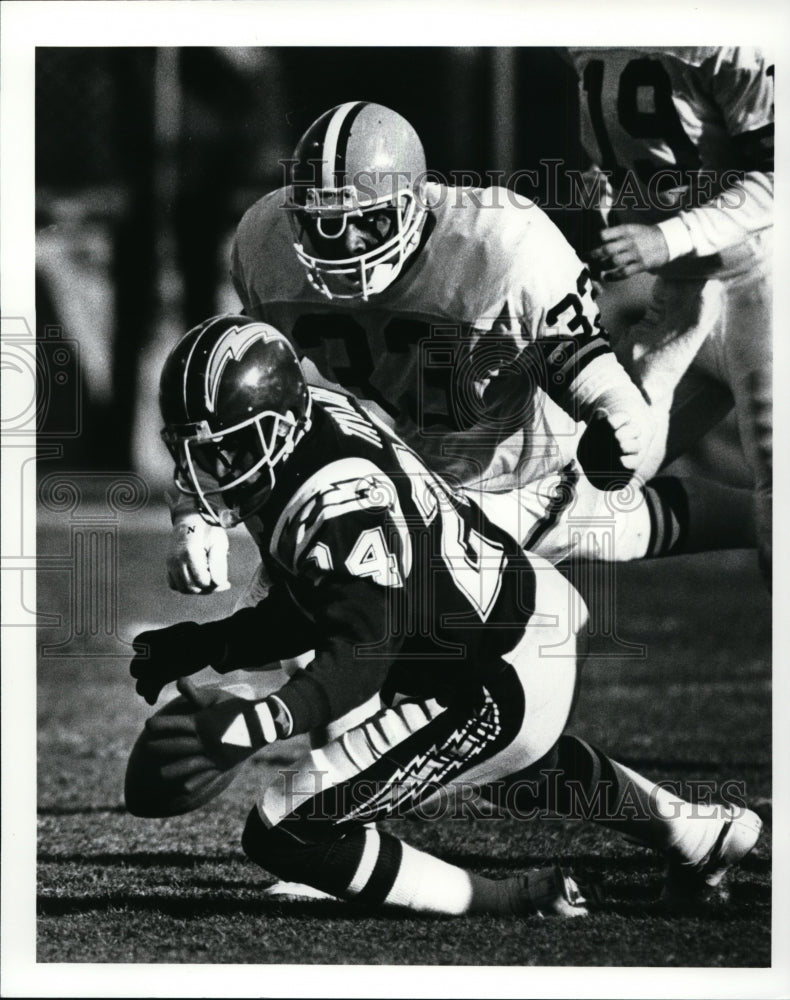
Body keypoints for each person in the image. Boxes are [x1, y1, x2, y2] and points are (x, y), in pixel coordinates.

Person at [128, 315, 762, 916]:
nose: (206, 473)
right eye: (192, 452)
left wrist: (255, 724)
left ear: (281, 427)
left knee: (286, 829)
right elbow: (317, 607)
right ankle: (696, 835)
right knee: (518, 771)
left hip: (492, 670)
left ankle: (507, 899)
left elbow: (361, 654)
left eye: (228, 450)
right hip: (497, 622)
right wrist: (207, 643)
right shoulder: (310, 430)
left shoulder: (337, 499)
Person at [167, 99, 758, 597]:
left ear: (416, 202)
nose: (342, 241)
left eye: (365, 220)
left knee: (367, 583)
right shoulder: (268, 245)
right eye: (322, 222)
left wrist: (619, 423)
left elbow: (591, 377)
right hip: (422, 451)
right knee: (330, 577)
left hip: (529, 458)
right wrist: (195, 512)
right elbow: (245, 397)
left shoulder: (498, 243)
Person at [566, 46, 773, 580]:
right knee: (581, 489)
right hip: (681, 293)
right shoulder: (586, 38)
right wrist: (602, 210)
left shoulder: (732, 41)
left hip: (768, 284)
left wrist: (667, 237)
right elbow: (612, 158)